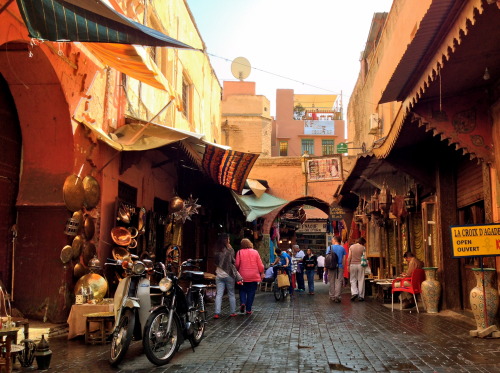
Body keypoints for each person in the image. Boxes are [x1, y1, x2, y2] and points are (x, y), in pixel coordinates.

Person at [235, 238, 264, 315]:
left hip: (242, 275)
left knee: (242, 290)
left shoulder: (239, 252)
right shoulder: (255, 252)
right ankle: (248, 309)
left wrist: (237, 270)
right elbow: (260, 265)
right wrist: (261, 272)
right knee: (251, 292)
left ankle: (243, 302)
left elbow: (237, 264)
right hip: (253, 276)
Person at [213, 233, 238, 319]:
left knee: (219, 294)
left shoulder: (216, 250)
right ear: (227, 240)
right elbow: (233, 261)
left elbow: (216, 262)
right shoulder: (230, 250)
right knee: (231, 293)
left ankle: (217, 313)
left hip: (219, 274)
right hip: (229, 274)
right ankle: (232, 312)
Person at [326, 236, 347, 303]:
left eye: (332, 239)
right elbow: (344, 259)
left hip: (331, 267)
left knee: (331, 281)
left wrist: (325, 267)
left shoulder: (329, 247)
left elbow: (327, 258)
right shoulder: (342, 248)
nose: (332, 240)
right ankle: (337, 296)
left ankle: (332, 296)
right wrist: (342, 266)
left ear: (335, 240)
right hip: (339, 266)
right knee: (338, 282)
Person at [347, 237, 367, 302]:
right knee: (361, 280)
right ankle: (361, 296)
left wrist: (348, 265)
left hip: (352, 265)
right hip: (361, 265)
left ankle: (354, 293)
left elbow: (349, 257)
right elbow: (365, 257)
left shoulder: (351, 247)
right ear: (362, 242)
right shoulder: (363, 248)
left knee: (353, 279)